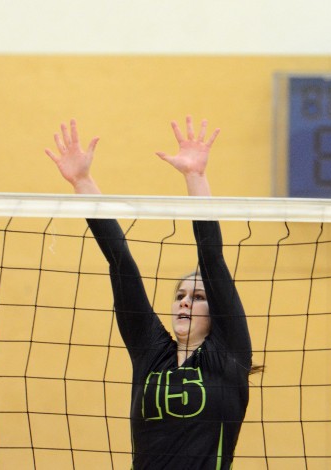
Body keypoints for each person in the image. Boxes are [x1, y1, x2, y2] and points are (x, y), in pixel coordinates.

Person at [44, 117, 255, 469]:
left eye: (199, 297)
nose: (185, 301)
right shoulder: (150, 353)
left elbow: (211, 256)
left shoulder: (228, 355)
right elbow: (120, 262)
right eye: (180, 295)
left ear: (217, 314)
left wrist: (195, 176)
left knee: (210, 262)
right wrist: (83, 182)